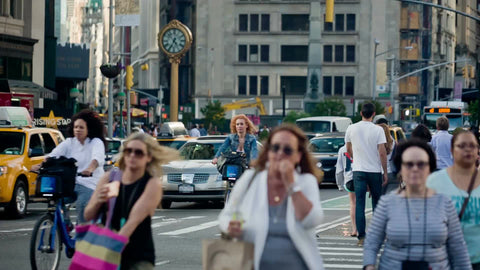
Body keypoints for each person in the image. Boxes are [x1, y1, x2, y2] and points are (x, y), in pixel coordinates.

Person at [218, 124, 324, 270]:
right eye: (275, 148)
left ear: (298, 156)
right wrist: (231, 225)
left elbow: (311, 220)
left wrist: (291, 185)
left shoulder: (306, 181)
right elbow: (228, 214)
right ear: (268, 152)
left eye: (287, 150)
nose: (280, 153)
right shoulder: (250, 179)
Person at [363, 139, 472, 270]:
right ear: (400, 169)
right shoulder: (387, 203)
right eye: (409, 164)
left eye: (421, 164)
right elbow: (372, 241)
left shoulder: (444, 203)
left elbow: (458, 247)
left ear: (430, 169)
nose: (415, 169)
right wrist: (369, 266)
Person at [84, 132, 179, 270]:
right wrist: (98, 200)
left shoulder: (152, 184)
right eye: (129, 151)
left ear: (148, 157)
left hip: (137, 256)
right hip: (105, 249)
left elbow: (132, 222)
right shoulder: (109, 178)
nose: (132, 155)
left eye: (139, 152)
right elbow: (88, 215)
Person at [32, 109, 106, 224]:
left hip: (90, 184)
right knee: (57, 200)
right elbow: (53, 156)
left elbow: (97, 158)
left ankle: (82, 232)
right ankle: (66, 225)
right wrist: (40, 165)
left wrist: (90, 169)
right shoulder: (69, 142)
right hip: (71, 183)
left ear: (89, 129)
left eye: (81, 127)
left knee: (82, 205)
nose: (78, 130)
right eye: (76, 127)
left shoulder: (95, 142)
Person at [427, 130, 480, 269]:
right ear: (452, 150)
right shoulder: (434, 182)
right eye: (461, 146)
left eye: (472, 146)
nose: (467, 149)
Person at [345, 102, 387, 246]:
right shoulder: (378, 130)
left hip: (358, 170)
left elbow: (348, 149)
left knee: (360, 204)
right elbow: (382, 152)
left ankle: (361, 236)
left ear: (361, 113)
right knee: (376, 203)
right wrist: (385, 172)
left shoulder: (351, 128)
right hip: (375, 171)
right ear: (373, 114)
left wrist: (356, 159)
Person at [335, 144, 357, 237]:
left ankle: (355, 229)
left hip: (349, 178)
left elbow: (339, 169)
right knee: (361, 203)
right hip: (361, 175)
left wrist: (339, 184)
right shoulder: (360, 146)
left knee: (353, 204)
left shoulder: (342, 149)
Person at [377, 123, 397, 194]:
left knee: (379, 199)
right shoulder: (393, 142)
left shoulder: (376, 142)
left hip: (379, 172)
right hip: (392, 172)